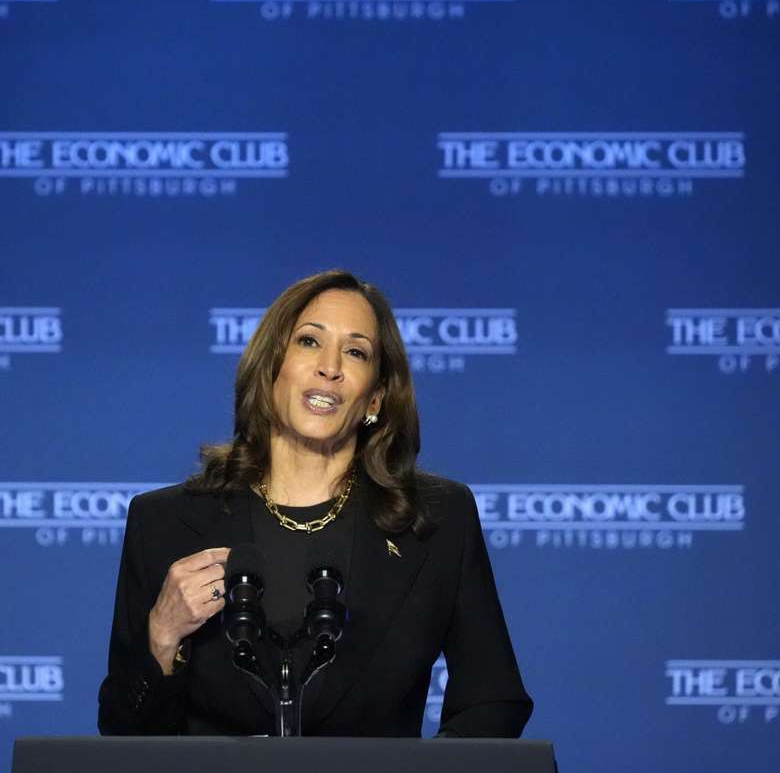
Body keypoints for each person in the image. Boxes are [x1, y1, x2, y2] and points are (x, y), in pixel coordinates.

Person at [97, 270, 532, 737]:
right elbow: (123, 735)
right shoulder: (163, 523)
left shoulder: (438, 519)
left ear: (376, 398)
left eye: (356, 352)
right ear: (269, 369)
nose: (330, 367)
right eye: (309, 341)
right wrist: (161, 637)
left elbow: (493, 702)